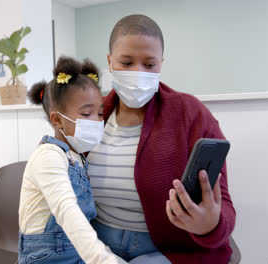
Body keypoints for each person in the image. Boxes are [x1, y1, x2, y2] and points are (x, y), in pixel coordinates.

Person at [86, 14, 236, 264]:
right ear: (110, 61)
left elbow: (224, 206)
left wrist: (209, 225)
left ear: (161, 64)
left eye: (149, 64)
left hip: (167, 251)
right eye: (126, 62)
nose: (138, 72)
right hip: (96, 243)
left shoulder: (190, 112)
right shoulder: (90, 116)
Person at [18, 56, 127, 264]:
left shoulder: (76, 157)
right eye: (86, 114)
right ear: (57, 119)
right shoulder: (48, 156)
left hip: (78, 253)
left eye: (100, 113)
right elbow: (68, 212)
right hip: (46, 258)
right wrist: (103, 259)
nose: (96, 121)